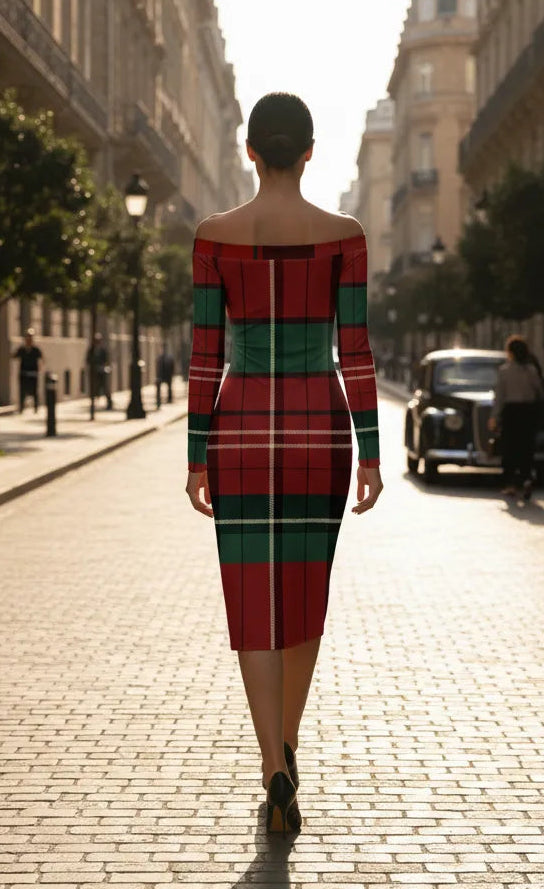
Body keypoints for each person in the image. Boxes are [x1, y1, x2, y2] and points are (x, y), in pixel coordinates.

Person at [185, 93, 383, 836]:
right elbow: (356, 350)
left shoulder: (214, 236)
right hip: (317, 430)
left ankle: (270, 757)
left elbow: (206, 356)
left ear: (247, 151)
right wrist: (368, 449)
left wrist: (194, 455)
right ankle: (288, 748)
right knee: (304, 597)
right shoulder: (345, 236)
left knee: (251, 606)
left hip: (238, 428)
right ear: (307, 153)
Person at [488, 334, 544, 501]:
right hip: (528, 412)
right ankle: (526, 479)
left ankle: (510, 484)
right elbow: (539, 391)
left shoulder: (505, 371)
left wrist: (494, 417)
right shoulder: (531, 370)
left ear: (510, 352)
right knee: (527, 447)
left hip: (511, 412)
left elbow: (499, 397)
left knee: (510, 448)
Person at [12, 329, 43, 412]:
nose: (29, 339)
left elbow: (41, 359)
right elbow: (14, 356)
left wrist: (38, 369)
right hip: (24, 373)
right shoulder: (22, 349)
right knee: (22, 390)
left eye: (30, 337)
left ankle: (35, 407)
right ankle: (21, 407)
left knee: (34, 391)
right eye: (27, 337)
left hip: (33, 373)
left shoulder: (36, 349)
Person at [86, 332, 112, 410]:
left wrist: (103, 366)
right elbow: (88, 360)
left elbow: (106, 360)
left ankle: (109, 403)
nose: (97, 342)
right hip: (94, 372)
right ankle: (93, 404)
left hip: (102, 371)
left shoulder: (103, 350)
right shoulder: (91, 350)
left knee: (105, 388)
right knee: (94, 388)